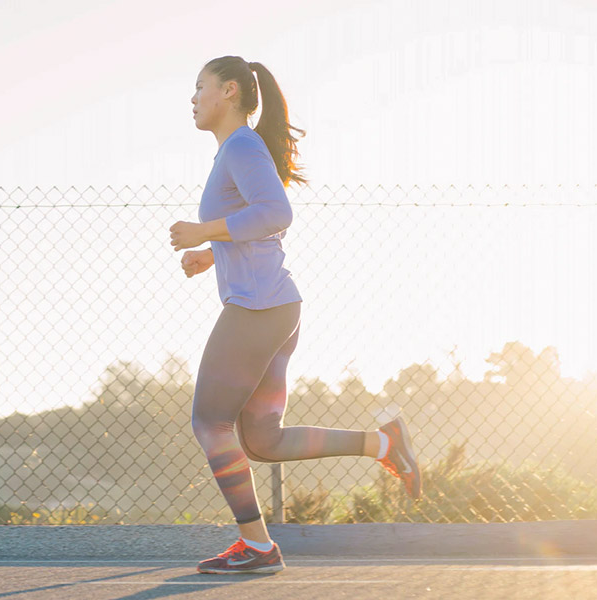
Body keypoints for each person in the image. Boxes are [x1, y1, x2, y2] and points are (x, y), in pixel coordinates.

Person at [169, 55, 421, 575]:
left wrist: (205, 231)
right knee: (262, 439)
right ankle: (384, 443)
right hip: (276, 308)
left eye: (200, 87)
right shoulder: (234, 151)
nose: (192, 98)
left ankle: (259, 547)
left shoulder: (240, 145)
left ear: (230, 91)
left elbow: (277, 212)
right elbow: (261, 225)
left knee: (210, 421)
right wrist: (212, 253)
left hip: (259, 310)